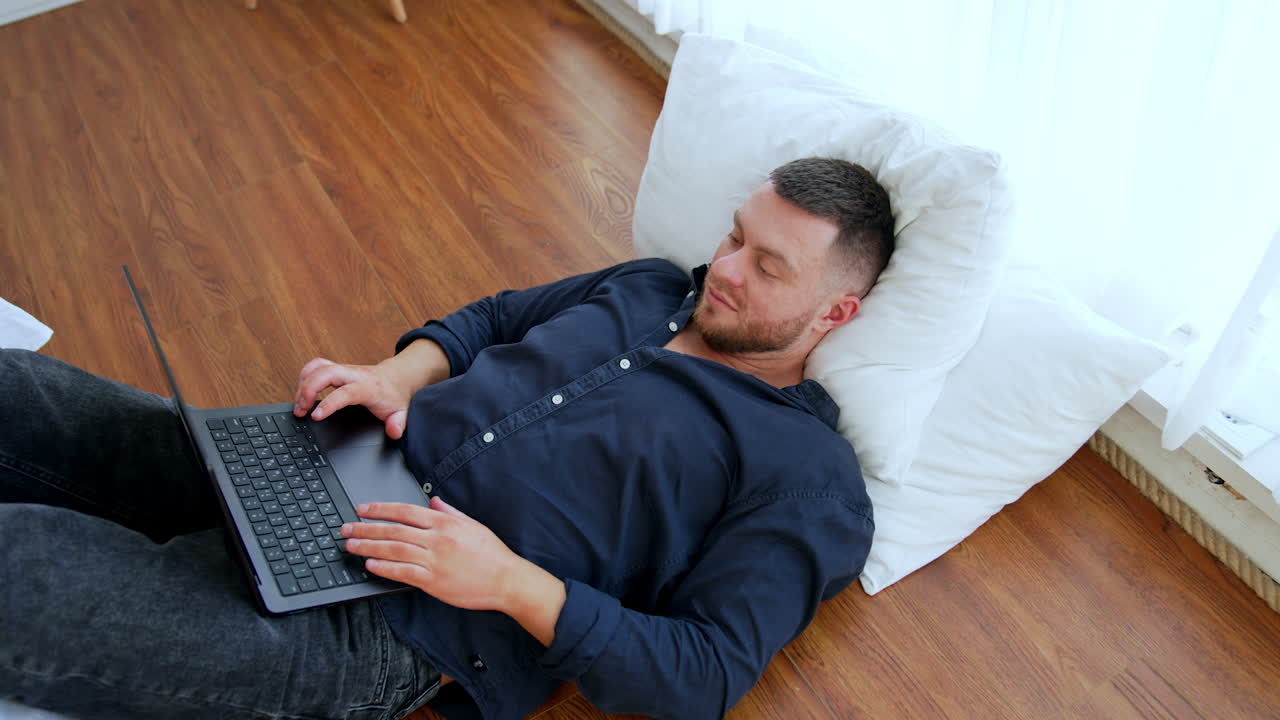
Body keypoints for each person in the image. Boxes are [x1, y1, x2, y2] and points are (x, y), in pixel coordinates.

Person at [0, 156, 894, 720]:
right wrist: (397, 375)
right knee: (20, 394)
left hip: (395, 628)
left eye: (766, 267)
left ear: (836, 312)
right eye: (735, 238)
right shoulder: (652, 285)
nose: (725, 271)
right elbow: (496, 317)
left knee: (21, 572)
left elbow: (704, 675)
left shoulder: (807, 477)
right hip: (323, 465)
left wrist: (508, 582)